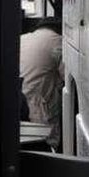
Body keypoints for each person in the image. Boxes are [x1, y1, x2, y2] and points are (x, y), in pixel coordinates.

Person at [20, 17, 63, 150]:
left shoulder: (23, 38)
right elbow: (69, 76)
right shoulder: (58, 41)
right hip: (39, 114)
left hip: (18, 106)